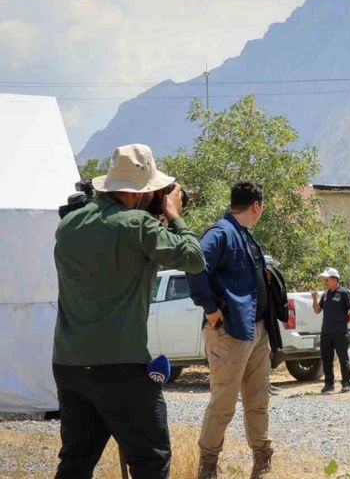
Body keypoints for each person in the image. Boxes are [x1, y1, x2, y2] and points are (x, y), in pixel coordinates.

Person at [53, 143, 205, 479]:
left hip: (69, 363)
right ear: (140, 193)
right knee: (150, 459)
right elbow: (194, 259)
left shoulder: (68, 226)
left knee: (76, 461)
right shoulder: (137, 226)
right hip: (121, 365)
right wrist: (174, 216)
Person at [187, 181, 274, 479]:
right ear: (256, 206)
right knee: (224, 402)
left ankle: (262, 462)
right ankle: (208, 466)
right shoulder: (220, 233)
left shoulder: (243, 234)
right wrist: (209, 308)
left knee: (258, 398)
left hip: (256, 330)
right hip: (230, 333)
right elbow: (195, 264)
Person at [312, 267, 350, 394]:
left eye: (327, 280)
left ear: (335, 279)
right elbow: (317, 310)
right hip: (326, 332)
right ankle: (329, 384)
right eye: (325, 280)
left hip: (340, 332)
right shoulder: (325, 295)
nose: (325, 282)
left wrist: (345, 322)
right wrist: (315, 299)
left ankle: (346, 383)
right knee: (326, 359)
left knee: (343, 358)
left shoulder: (344, 293)